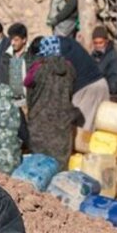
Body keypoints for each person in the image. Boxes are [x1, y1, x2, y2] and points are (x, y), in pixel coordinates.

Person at [25, 37, 79, 168]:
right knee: (60, 165)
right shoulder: (70, 67)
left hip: (40, 123)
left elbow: (27, 82)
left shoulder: (38, 68)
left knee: (40, 166)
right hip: (62, 122)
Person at [49, 35, 109, 132]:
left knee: (83, 136)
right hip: (101, 84)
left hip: (86, 91)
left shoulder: (57, 55)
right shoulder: (70, 44)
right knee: (103, 133)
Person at [0, 23, 31, 108]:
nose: (12, 43)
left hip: (28, 102)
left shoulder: (31, 56)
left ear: (24, 40)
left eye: (16, 40)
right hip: (11, 103)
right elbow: (2, 82)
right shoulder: (6, 57)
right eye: (11, 39)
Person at [90, 25, 117, 97]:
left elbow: (114, 83)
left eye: (100, 42)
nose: (98, 46)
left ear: (106, 41)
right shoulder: (93, 56)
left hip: (108, 96)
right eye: (95, 43)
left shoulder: (113, 57)